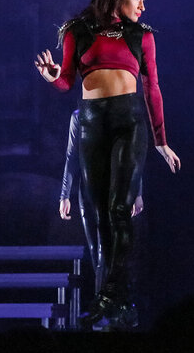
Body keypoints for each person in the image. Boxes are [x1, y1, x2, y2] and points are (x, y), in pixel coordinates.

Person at [36, 0, 180, 330]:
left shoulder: (141, 35)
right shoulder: (76, 31)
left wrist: (161, 140)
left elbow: (152, 88)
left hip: (128, 120)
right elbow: (67, 81)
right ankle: (113, 299)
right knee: (98, 213)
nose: (143, 6)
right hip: (91, 120)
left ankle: (113, 296)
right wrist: (53, 77)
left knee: (120, 209)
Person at [59, 109, 145, 308]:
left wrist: (138, 192)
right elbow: (71, 156)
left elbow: (134, 156)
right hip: (87, 190)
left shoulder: (120, 111)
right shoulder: (78, 117)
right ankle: (114, 302)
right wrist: (65, 195)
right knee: (95, 251)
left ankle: (106, 306)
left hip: (114, 189)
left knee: (104, 250)